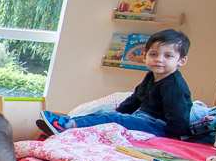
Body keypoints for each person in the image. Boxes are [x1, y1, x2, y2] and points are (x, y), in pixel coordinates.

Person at [37, 29, 192, 137]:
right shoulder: (151, 76)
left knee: (116, 121)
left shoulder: (174, 86)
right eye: (153, 54)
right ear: (145, 56)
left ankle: (68, 126)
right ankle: (71, 123)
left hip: (159, 127)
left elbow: (179, 120)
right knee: (105, 114)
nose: (159, 59)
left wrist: (171, 138)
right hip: (143, 118)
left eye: (168, 56)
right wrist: (118, 112)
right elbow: (135, 99)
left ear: (181, 60)